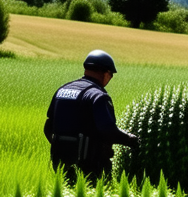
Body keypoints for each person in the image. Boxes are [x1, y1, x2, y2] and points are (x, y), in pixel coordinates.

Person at [44, 50, 139, 182]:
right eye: (111, 75)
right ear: (105, 73)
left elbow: (48, 127)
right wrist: (130, 140)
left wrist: (63, 147)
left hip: (60, 164)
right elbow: (108, 131)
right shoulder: (98, 96)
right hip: (90, 168)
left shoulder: (62, 90)